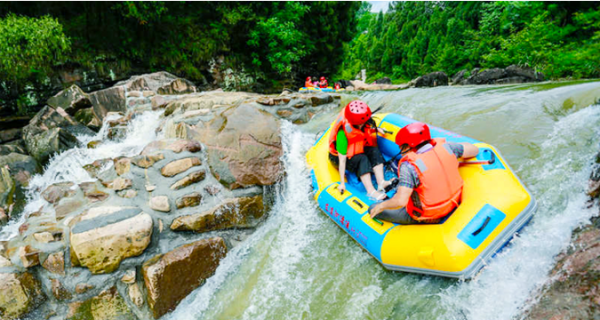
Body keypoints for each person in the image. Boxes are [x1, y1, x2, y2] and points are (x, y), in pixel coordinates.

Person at [368, 122, 479, 224]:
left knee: (372, 208)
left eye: (401, 146)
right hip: (455, 201)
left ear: (407, 146)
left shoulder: (409, 166)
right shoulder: (448, 147)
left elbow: (401, 201)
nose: (400, 150)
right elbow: (474, 150)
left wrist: (381, 206)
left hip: (429, 216)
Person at [329, 100, 392, 200]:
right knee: (362, 159)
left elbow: (364, 129)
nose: (363, 124)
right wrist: (341, 183)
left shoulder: (364, 119)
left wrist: (377, 129)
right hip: (339, 157)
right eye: (361, 123)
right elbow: (342, 161)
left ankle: (381, 183)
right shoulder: (342, 133)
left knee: (374, 150)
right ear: (354, 122)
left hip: (356, 147)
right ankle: (371, 191)